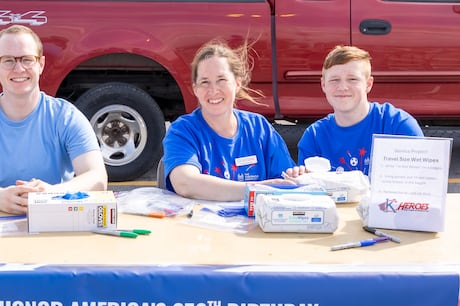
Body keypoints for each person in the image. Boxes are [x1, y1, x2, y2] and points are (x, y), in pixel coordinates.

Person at [0, 25, 107, 214]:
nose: (18, 68)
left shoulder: (66, 116)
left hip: (53, 221)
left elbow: (97, 177)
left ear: (40, 64)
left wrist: (52, 193)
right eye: (8, 60)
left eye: (27, 59)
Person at [162, 41, 305, 201]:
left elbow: (287, 181)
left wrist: (296, 175)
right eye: (204, 82)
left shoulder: (259, 127)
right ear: (195, 89)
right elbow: (185, 183)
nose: (213, 90)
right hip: (200, 224)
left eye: (221, 80)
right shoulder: (183, 131)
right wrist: (256, 190)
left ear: (237, 84)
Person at [298, 45, 423, 176]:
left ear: (368, 84)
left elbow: (422, 182)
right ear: (323, 85)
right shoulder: (314, 136)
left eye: (352, 79)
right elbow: (308, 190)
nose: (343, 87)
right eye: (334, 80)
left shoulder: (397, 125)